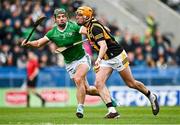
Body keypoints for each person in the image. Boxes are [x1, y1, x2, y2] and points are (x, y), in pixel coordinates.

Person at [21, 8, 116, 118]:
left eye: (63, 16)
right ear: (55, 20)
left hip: (82, 59)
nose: (61, 19)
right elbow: (38, 43)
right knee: (87, 90)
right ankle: (108, 97)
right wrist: (28, 43)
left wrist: (102, 30)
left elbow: (88, 31)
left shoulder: (74, 26)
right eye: (59, 17)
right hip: (69, 63)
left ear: (66, 18)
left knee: (78, 78)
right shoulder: (52, 33)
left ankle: (80, 108)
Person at [76, 6, 160, 119]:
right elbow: (108, 30)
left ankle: (151, 96)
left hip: (117, 56)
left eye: (80, 15)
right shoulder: (90, 25)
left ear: (87, 17)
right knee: (98, 83)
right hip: (107, 59)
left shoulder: (94, 27)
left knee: (131, 83)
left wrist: (98, 59)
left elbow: (104, 45)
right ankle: (112, 110)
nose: (77, 17)